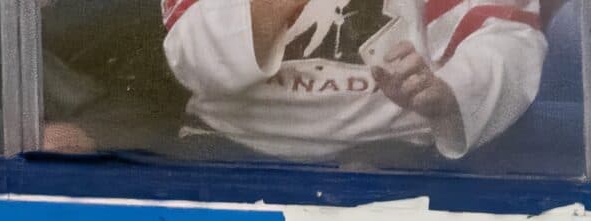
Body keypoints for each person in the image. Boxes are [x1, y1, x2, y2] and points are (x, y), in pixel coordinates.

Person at [160, 0, 546, 164]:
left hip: (397, 163)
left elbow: (508, 38)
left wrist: (450, 92)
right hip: (230, 153)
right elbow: (192, 57)